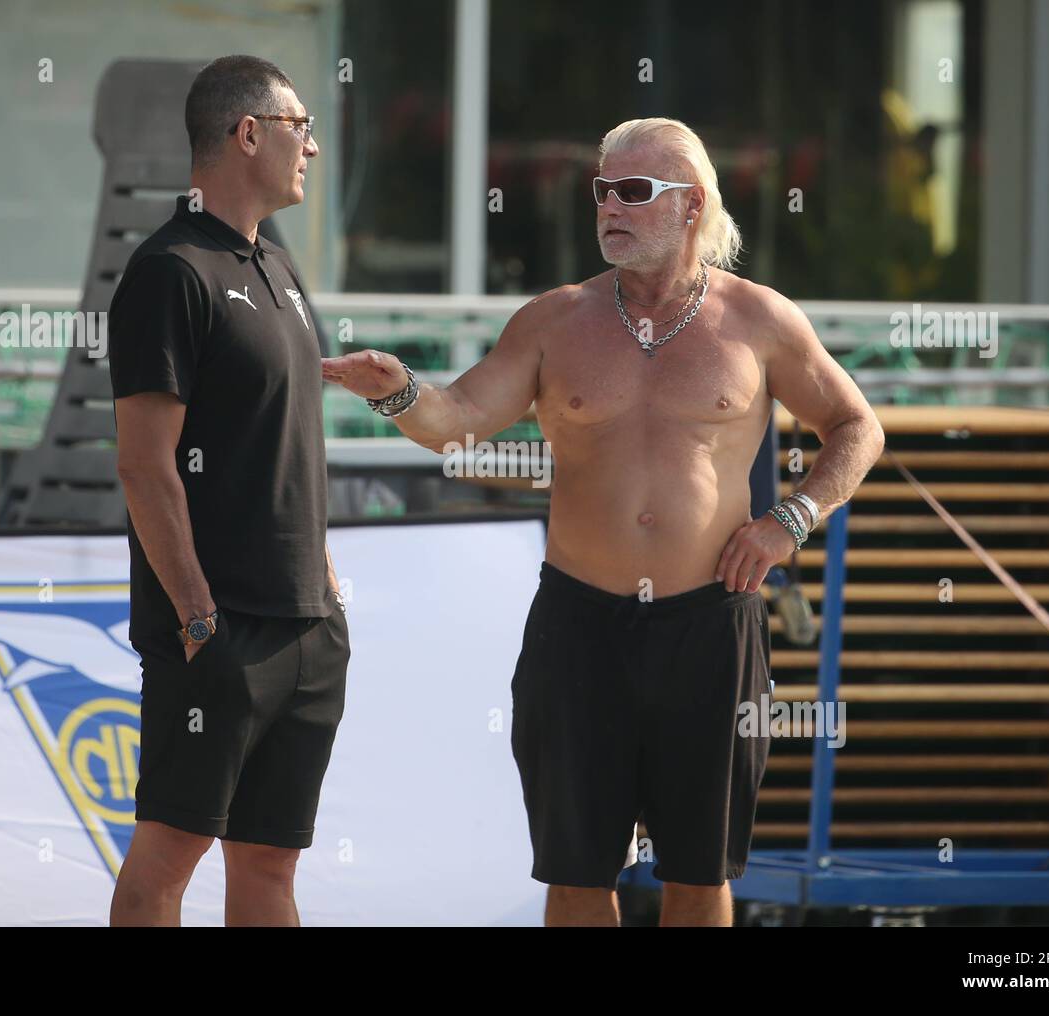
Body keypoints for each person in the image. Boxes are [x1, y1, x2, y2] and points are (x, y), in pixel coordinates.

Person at [322, 117, 884, 927]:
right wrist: (399, 391)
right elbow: (461, 422)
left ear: (690, 206)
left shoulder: (758, 320)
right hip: (580, 625)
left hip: (708, 623)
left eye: (633, 192)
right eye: (601, 192)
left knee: (699, 875)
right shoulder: (556, 320)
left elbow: (858, 427)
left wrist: (789, 520)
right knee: (578, 873)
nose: (609, 208)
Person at [107, 55, 349, 927]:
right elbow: (144, 464)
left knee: (272, 871)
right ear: (249, 134)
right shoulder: (169, 271)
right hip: (217, 631)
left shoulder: (276, 265)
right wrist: (198, 614)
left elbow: (285, 443)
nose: (313, 147)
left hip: (306, 627)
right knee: (167, 858)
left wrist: (322, 588)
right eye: (300, 126)